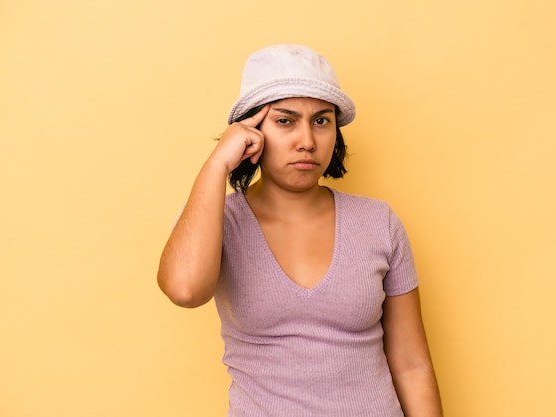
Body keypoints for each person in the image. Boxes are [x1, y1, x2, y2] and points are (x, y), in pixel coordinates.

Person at [157, 44, 443, 417]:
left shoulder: (378, 222)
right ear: (250, 131)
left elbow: (411, 364)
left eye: (321, 121)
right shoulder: (218, 219)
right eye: (285, 120)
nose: (307, 141)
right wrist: (217, 165)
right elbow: (185, 290)